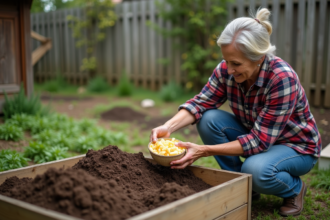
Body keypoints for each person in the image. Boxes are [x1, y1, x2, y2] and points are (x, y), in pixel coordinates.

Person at [149, 8, 321, 217]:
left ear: (258, 57)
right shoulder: (226, 69)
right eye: (227, 61)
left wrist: (205, 150)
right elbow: (201, 103)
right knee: (209, 119)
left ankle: (294, 189)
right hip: (258, 135)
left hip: (295, 147)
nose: (228, 70)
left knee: (256, 170)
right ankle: (245, 185)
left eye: (236, 64)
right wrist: (168, 126)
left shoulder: (281, 78)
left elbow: (259, 142)